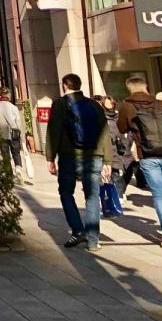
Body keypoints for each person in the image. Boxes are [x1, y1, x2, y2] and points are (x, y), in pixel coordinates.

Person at [45, 74, 112, 251]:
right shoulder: (94, 105)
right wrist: (108, 159)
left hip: (69, 157)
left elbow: (54, 131)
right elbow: (105, 132)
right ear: (79, 85)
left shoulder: (60, 104)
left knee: (66, 192)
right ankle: (93, 239)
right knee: (92, 196)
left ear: (64, 86)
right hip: (94, 155)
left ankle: (77, 229)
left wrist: (50, 158)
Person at [118, 75, 162, 248]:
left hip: (148, 156)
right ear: (146, 87)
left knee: (159, 195)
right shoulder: (161, 104)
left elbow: (122, 128)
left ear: (130, 89)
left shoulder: (128, 106)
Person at [0, 87, 30, 185]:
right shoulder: (14, 107)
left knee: (5, 155)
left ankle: (8, 175)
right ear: (8, 94)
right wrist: (22, 137)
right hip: (14, 133)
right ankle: (18, 169)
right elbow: (18, 123)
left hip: (1, 133)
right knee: (16, 153)